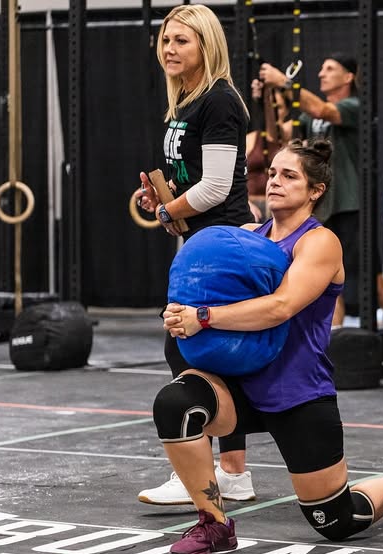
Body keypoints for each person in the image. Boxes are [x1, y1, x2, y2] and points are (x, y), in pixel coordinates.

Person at [155, 139, 383, 554]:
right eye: (272, 173)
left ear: (316, 191)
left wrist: (203, 317)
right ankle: (214, 524)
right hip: (241, 385)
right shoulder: (249, 235)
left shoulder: (320, 243)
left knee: (337, 520)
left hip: (296, 390)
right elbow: (204, 285)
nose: (274, 182)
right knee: (176, 403)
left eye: (289, 176)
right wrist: (178, 311)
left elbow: (280, 307)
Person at [133, 4, 255, 507]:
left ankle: (207, 471)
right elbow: (190, 184)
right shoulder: (183, 103)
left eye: (181, 41)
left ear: (206, 45)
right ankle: (231, 473)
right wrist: (160, 200)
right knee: (200, 352)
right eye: (165, 40)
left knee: (182, 348)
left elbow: (217, 187)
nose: (169, 49)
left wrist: (168, 212)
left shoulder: (219, 101)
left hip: (221, 240)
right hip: (201, 240)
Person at [259, 55, 383, 327]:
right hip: (323, 205)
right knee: (327, 277)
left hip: (351, 205)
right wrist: (270, 96)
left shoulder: (354, 106)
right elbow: (282, 134)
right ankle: (333, 341)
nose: (322, 73)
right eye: (322, 68)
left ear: (349, 77)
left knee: (371, 278)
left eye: (330, 69)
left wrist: (286, 82)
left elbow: (324, 111)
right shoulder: (308, 115)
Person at [245, 79, 288, 221]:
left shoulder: (291, 139)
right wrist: (245, 203)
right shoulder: (252, 139)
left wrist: (268, 97)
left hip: (282, 209)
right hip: (252, 207)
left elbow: (275, 130)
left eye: (279, 108)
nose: (275, 114)